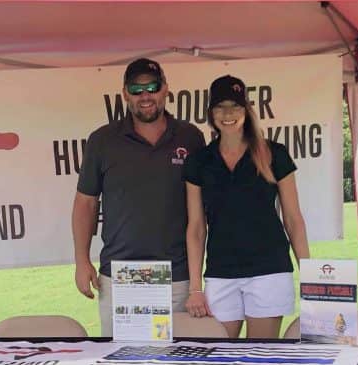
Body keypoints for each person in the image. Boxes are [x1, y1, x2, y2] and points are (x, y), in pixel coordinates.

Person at [73, 58, 206, 336]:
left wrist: (196, 284)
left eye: (152, 87)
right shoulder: (102, 140)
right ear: (125, 93)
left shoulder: (190, 137)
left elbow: (200, 212)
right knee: (120, 364)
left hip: (176, 275)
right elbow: (86, 202)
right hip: (121, 275)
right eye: (136, 89)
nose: (145, 96)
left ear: (166, 89)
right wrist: (81, 260)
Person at [183, 74, 309, 339]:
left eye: (235, 106)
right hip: (220, 272)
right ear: (210, 113)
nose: (228, 114)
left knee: (261, 360)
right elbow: (196, 228)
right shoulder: (199, 161)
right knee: (219, 362)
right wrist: (195, 288)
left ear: (247, 110)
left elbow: (293, 220)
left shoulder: (275, 154)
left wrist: (311, 274)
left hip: (269, 270)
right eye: (220, 107)